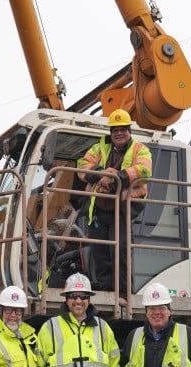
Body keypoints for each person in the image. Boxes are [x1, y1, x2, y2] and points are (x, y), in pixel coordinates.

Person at [76, 108, 152, 296]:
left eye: (123, 129)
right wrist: (102, 174)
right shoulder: (99, 148)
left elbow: (144, 171)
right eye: (115, 130)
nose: (119, 133)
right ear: (110, 133)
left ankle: (123, 294)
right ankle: (105, 292)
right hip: (99, 210)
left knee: (120, 253)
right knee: (100, 253)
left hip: (122, 210)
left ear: (129, 131)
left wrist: (116, 177)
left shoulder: (140, 149)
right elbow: (82, 165)